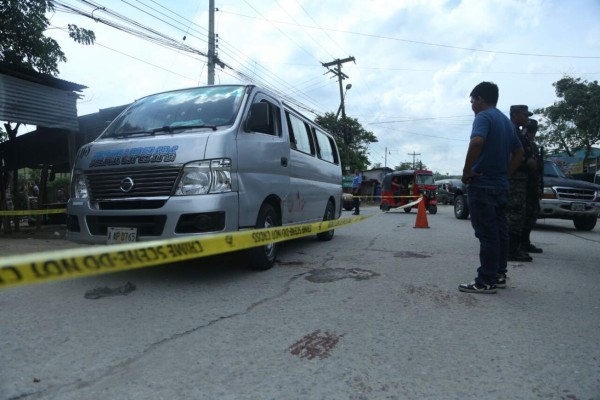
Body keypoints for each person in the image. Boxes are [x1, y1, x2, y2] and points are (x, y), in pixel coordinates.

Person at [459, 82, 524, 294]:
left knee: (487, 235)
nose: (472, 106)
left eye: (472, 101)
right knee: (500, 232)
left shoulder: (484, 117)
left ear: (480, 99)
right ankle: (499, 274)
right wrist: (506, 173)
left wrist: (467, 171)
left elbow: (477, 142)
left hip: (483, 184)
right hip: (501, 185)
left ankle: (485, 281)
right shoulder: (506, 121)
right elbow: (519, 151)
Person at [507, 105, 537, 262]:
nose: (527, 118)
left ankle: (515, 247)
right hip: (515, 180)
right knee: (514, 213)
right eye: (525, 115)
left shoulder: (519, 132)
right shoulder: (510, 131)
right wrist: (526, 163)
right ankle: (510, 250)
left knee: (519, 213)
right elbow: (510, 156)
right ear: (516, 114)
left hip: (521, 180)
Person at [522, 118, 543, 253]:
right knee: (523, 215)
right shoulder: (524, 143)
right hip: (524, 185)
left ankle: (524, 242)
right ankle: (519, 243)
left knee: (530, 214)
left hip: (530, 185)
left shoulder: (531, 144)